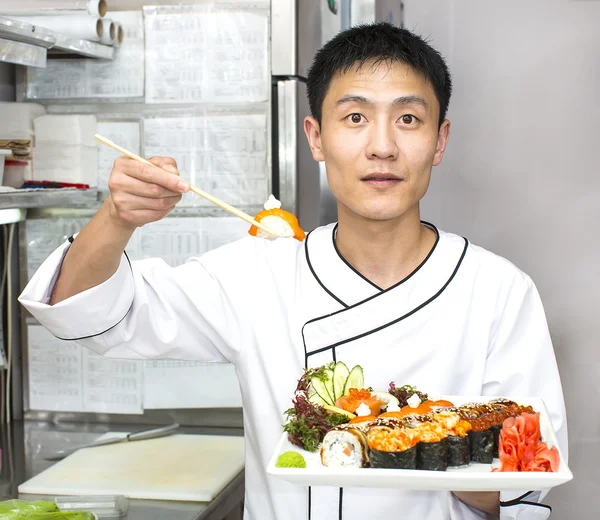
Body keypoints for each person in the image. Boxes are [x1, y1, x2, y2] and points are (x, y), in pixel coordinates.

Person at [19, 23, 567, 520]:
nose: (382, 146)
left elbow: (525, 487)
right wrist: (117, 217)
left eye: (408, 119)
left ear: (439, 141)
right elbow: (86, 313)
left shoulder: (498, 291)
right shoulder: (257, 274)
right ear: (315, 138)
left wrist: (422, 437)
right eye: (355, 117)